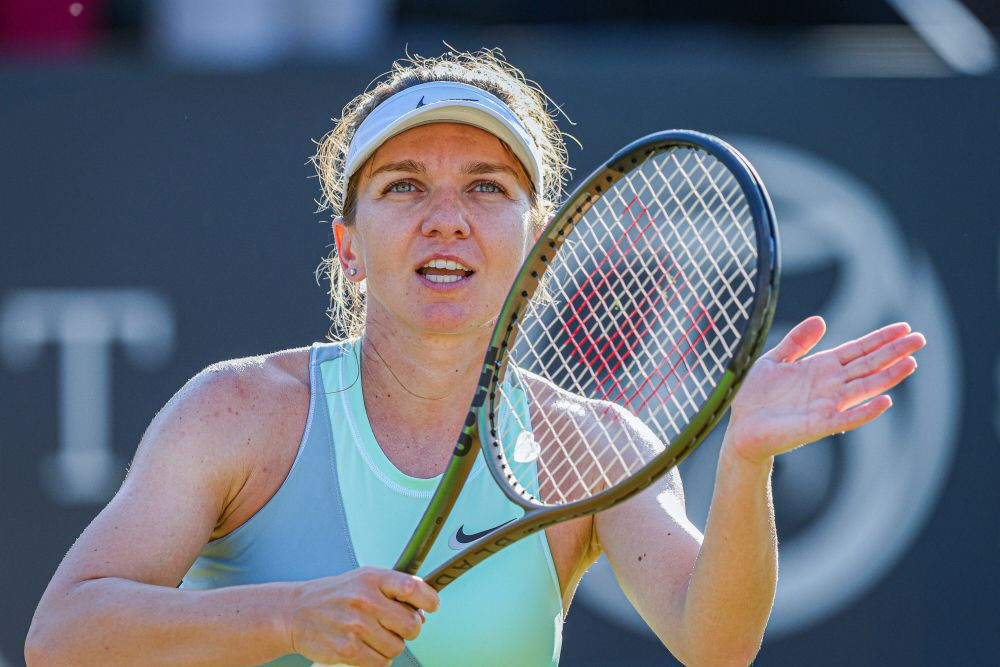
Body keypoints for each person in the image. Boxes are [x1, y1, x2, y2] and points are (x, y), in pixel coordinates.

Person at [24, 48, 925, 667]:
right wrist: (290, 614)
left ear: (538, 240)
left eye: (486, 188)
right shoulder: (237, 411)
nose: (445, 216)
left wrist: (743, 463)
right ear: (349, 244)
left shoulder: (593, 446)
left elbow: (714, 642)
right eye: (404, 185)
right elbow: (61, 635)